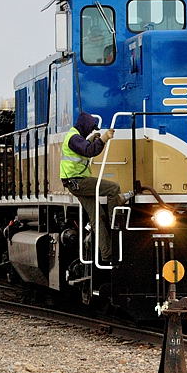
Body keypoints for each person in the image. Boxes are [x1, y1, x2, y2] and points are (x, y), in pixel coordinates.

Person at [61, 112, 134, 263]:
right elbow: (89, 151)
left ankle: (107, 255)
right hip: (78, 181)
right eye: (91, 128)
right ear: (84, 125)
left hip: (75, 183)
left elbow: (85, 147)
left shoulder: (76, 137)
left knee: (97, 219)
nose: (91, 130)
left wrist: (92, 140)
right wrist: (104, 138)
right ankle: (116, 220)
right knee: (113, 188)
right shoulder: (73, 138)